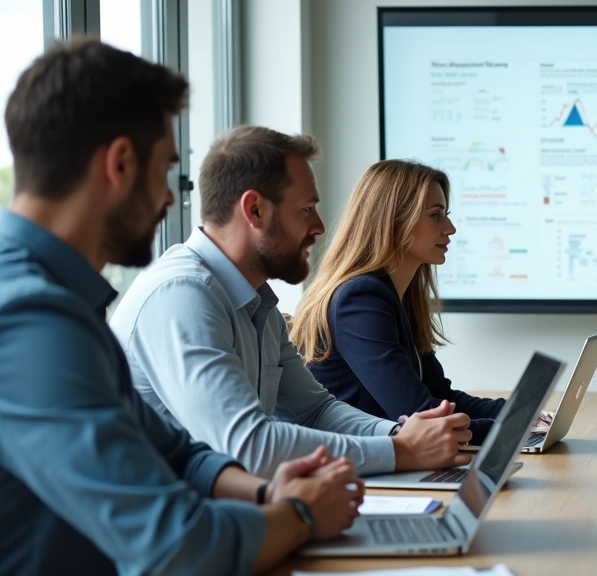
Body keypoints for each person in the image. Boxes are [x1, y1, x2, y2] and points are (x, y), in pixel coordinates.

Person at [0, 40, 363, 576]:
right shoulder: (30, 320)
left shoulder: (59, 302)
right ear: (120, 164)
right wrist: (298, 516)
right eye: (167, 169)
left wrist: (270, 494)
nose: (172, 196)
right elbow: (176, 545)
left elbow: (175, 454)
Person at [108, 126, 473, 477]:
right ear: (254, 211)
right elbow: (247, 445)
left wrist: (397, 435)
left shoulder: (256, 302)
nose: (319, 226)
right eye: (306, 209)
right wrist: (401, 451)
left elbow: (316, 411)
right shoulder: (182, 295)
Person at [291, 160, 506, 445]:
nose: (450, 228)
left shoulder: (397, 295)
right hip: (355, 468)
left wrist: (519, 413)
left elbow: (441, 398)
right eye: (436, 215)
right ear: (394, 220)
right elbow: (420, 415)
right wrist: (510, 429)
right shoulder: (360, 300)